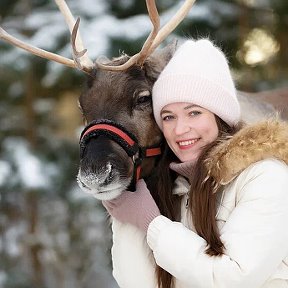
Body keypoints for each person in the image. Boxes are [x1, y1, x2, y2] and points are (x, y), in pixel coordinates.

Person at [103, 39, 288, 288]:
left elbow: (233, 278)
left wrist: (151, 223)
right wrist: (129, 216)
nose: (180, 129)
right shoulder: (177, 189)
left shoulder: (266, 177)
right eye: (168, 117)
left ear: (220, 115)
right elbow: (139, 283)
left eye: (194, 113)